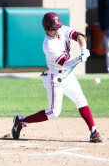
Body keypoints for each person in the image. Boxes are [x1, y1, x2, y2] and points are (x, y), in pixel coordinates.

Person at [11, 12, 103, 143]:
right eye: (54, 28)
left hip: (67, 75)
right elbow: (65, 63)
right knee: (53, 113)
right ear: (46, 29)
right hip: (55, 78)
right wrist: (78, 58)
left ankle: (94, 131)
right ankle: (20, 120)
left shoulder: (63, 29)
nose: (57, 30)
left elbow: (80, 36)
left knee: (81, 100)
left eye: (57, 27)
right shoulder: (48, 45)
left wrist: (83, 50)